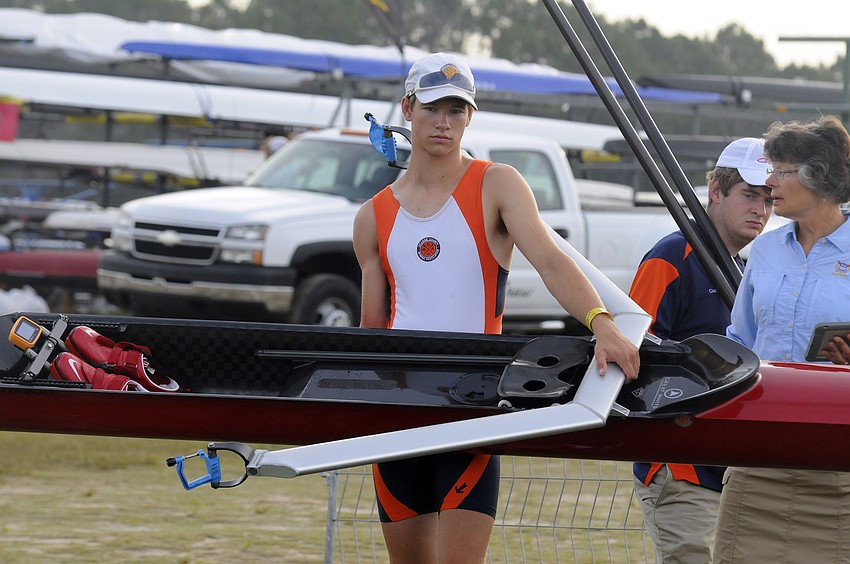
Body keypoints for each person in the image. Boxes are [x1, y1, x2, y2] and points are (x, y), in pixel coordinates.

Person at [352, 52, 640, 564]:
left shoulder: (496, 184)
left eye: (457, 110)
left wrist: (604, 325)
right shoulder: (372, 216)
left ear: (470, 117)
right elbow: (370, 331)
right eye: (434, 107)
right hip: (399, 408)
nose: (445, 121)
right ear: (407, 108)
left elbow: (551, 260)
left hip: (474, 404)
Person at [713, 115, 850, 563]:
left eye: (780, 171)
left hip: (841, 464)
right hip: (759, 457)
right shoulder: (766, 251)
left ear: (818, 175)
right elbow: (741, 341)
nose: (769, 180)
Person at [629, 138, 773, 564]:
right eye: (749, 195)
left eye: (768, 199)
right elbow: (635, 350)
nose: (760, 210)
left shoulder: (745, 272)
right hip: (681, 467)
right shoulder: (672, 256)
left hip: (732, 468)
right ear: (716, 191)